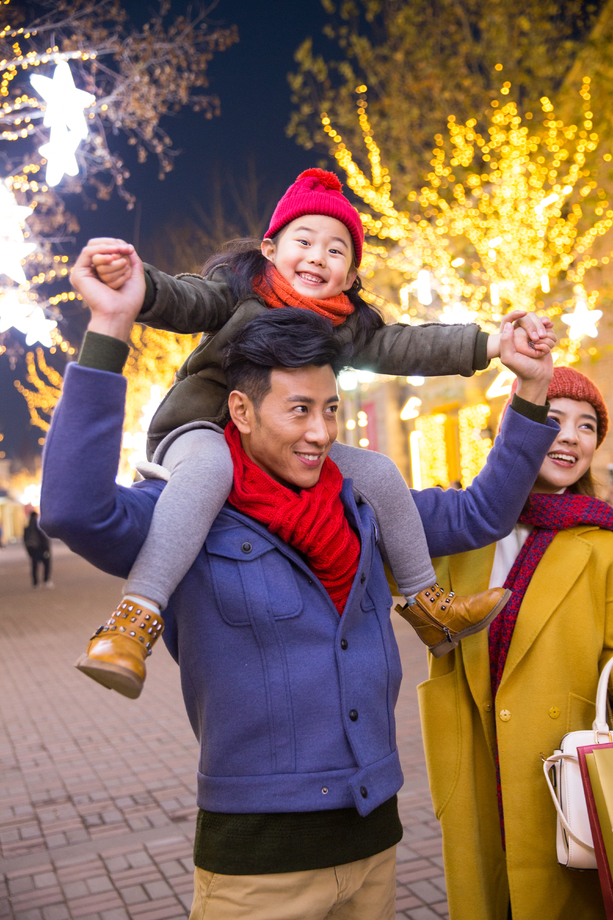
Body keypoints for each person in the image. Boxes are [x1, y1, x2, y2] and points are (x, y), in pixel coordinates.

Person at [40, 301, 556, 920]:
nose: (321, 432)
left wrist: (532, 388)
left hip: (374, 844)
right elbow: (74, 512)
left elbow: (481, 514)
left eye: (330, 409)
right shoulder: (185, 512)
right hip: (258, 867)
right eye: (300, 410)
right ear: (241, 411)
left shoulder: (365, 502)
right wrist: (108, 329)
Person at [70, 167, 554, 698]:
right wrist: (137, 286)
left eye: (335, 250)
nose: (318, 258)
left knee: (379, 470)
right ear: (270, 250)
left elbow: (408, 346)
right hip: (203, 427)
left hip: (288, 446)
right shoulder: (237, 294)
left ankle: (428, 605)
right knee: (209, 469)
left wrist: (493, 346)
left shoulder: (346, 326)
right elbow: (187, 300)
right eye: (304, 242)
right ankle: (133, 620)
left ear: (350, 276)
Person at [418, 366, 613, 920]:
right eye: (552, 420)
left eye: (587, 425)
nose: (570, 437)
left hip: (562, 765)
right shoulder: (461, 527)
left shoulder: (603, 544)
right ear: (516, 429)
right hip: (475, 753)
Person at [23, 509, 52, 588]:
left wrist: (29, 551)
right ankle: (46, 580)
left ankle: (35, 582)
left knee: (34, 566)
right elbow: (45, 538)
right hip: (42, 549)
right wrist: (47, 549)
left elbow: (25, 540)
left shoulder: (27, 527)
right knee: (46, 564)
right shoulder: (39, 526)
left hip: (33, 550)